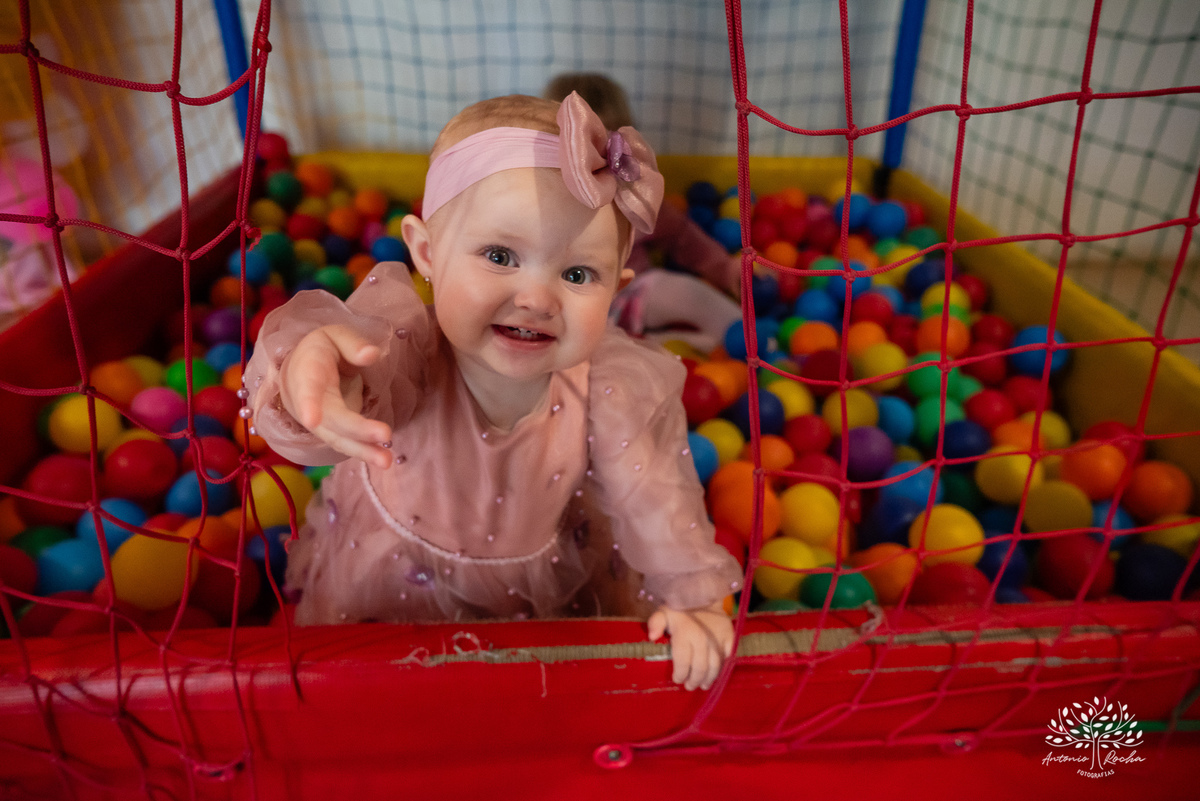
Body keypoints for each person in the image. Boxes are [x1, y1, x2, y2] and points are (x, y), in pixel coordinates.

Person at [245, 92, 743, 691]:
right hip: (394, 580)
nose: (537, 298)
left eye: (578, 274)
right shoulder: (405, 344)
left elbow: (654, 492)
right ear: (427, 253)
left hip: (546, 589)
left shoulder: (610, 382)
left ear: (617, 290)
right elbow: (346, 373)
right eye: (501, 255)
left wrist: (689, 596)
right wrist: (314, 363)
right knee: (385, 698)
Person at [544, 73, 743, 354]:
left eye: (606, 145)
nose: (594, 161)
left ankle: (744, 334)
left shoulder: (635, 192)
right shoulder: (544, 200)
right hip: (571, 315)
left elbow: (683, 237)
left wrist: (726, 270)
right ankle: (650, 347)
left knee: (675, 290)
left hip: (631, 298)